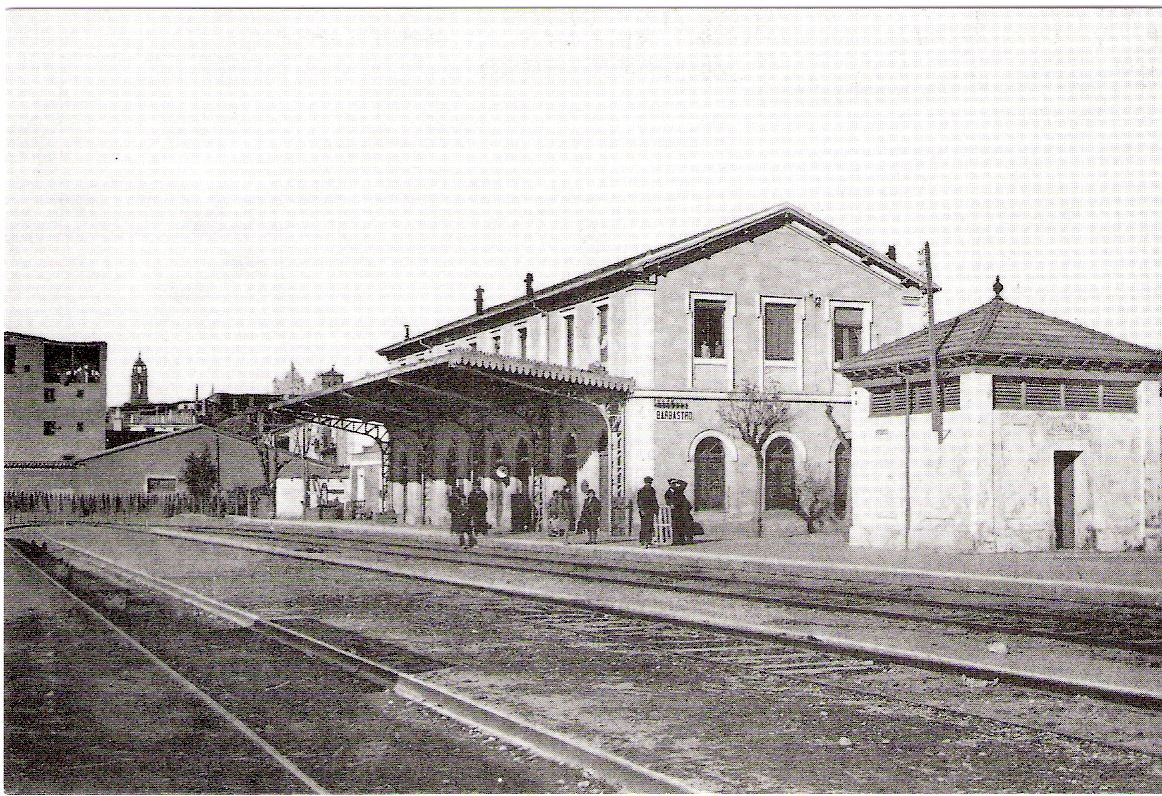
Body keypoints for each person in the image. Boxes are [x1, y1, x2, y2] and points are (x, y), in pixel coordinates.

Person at [665, 478, 693, 545]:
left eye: (675, 483)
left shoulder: (679, 490)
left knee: (685, 524)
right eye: (672, 484)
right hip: (675, 511)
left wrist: (678, 480)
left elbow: (685, 484)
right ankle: (677, 541)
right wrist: (670, 504)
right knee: (676, 526)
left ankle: (686, 539)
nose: (674, 485)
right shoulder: (667, 493)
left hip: (683, 510)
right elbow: (667, 501)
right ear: (670, 484)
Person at [636, 476, 659, 547]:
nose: (649, 484)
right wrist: (641, 510)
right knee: (644, 525)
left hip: (651, 510)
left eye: (650, 483)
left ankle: (649, 540)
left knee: (650, 526)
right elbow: (639, 501)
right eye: (647, 483)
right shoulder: (641, 490)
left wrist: (656, 510)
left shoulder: (652, 490)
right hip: (644, 510)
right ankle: (642, 540)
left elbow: (654, 500)